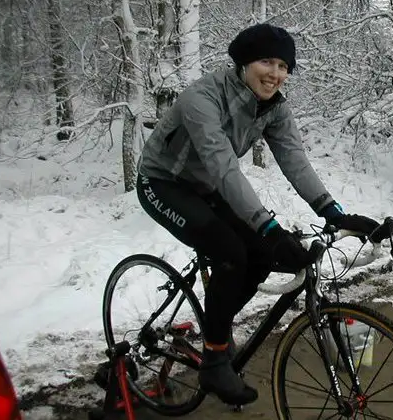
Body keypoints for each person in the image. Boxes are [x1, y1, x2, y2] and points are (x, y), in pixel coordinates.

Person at [135, 23, 379, 406]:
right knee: (231, 250)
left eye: (284, 66)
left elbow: (294, 159)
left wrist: (333, 211)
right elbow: (223, 168)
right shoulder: (202, 98)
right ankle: (215, 357)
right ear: (244, 63)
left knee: (262, 255)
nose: (276, 74)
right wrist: (268, 226)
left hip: (208, 187)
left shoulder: (275, 107)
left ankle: (215, 323)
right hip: (163, 182)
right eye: (267, 61)